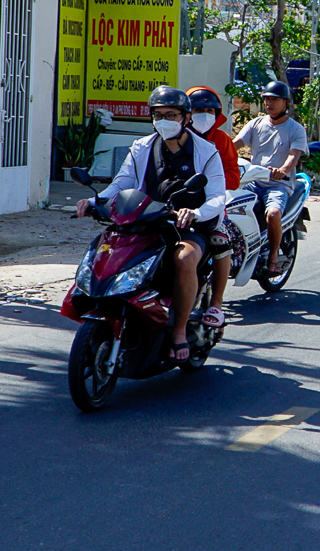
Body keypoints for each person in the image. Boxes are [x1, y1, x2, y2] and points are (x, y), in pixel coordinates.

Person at [74, 85, 226, 362]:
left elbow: (217, 198)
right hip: (145, 219)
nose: (164, 121)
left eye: (171, 115)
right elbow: (122, 182)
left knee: (185, 258)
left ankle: (178, 331)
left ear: (186, 118)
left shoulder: (208, 151)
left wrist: (196, 212)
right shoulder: (141, 147)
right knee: (108, 247)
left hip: (187, 225)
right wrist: (98, 201)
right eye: (158, 115)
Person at [234, 79, 310, 276]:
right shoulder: (256, 124)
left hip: (278, 184)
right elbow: (236, 144)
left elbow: (293, 156)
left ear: (286, 103)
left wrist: (282, 170)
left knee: (273, 214)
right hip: (253, 180)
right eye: (267, 99)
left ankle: (274, 254)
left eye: (275, 100)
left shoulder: (295, 129)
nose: (269, 103)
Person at [187, 86, 240, 326]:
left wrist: (210, 179)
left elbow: (233, 177)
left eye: (210, 110)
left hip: (212, 206)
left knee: (221, 242)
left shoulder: (222, 140)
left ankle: (217, 305)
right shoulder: (174, 136)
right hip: (174, 206)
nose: (204, 115)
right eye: (198, 110)